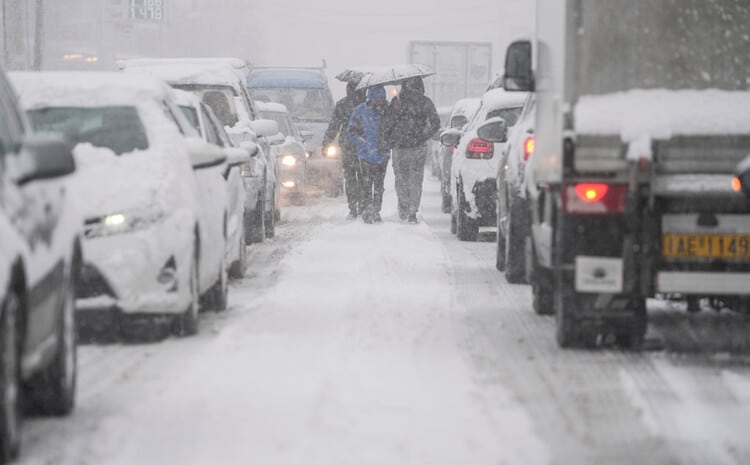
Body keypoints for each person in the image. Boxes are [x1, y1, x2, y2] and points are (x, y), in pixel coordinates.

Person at [383, 77, 441, 223]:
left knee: (401, 180)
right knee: (416, 180)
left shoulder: (397, 101)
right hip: (417, 147)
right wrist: (423, 136)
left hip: (400, 148)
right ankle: (412, 212)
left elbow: (387, 123)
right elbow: (435, 123)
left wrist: (391, 139)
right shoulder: (425, 102)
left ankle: (403, 208)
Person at [322, 80, 366, 219]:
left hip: (347, 146)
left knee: (350, 177)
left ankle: (353, 207)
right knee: (364, 177)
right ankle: (362, 206)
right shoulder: (366, 104)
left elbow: (334, 125)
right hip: (364, 145)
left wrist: (327, 142)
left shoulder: (342, 104)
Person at [347, 86, 390, 224]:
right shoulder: (360, 110)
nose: (379, 101)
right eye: (377, 98)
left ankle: (376, 211)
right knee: (365, 184)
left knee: (379, 186)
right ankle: (366, 210)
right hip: (365, 155)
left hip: (382, 155)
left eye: (381, 98)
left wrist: (387, 144)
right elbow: (351, 131)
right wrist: (362, 142)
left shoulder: (387, 112)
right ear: (370, 97)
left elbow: (394, 130)